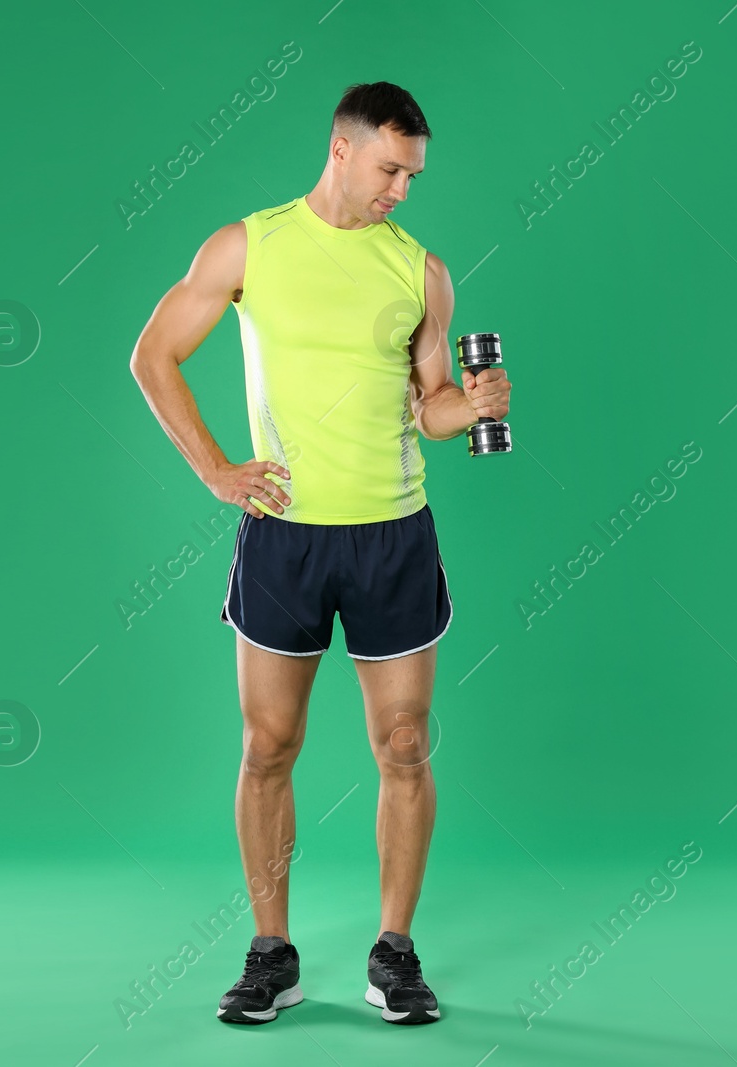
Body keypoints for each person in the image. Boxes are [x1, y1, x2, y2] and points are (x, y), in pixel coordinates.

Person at [128, 80, 511, 1027]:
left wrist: (474, 407)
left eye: (413, 175)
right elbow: (152, 355)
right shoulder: (248, 245)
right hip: (284, 539)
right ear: (341, 151)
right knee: (268, 746)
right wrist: (218, 468)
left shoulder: (421, 271)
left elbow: (429, 407)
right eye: (391, 170)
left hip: (394, 534)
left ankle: (394, 953)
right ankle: (271, 954)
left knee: (405, 744)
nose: (402, 190)